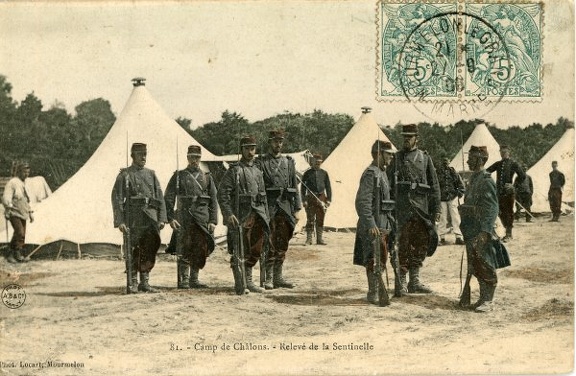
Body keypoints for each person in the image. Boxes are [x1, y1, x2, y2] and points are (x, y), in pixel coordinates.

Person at [387, 124, 441, 294]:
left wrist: (436, 209)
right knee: (402, 244)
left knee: (420, 244)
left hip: (421, 209)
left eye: (409, 137)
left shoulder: (425, 158)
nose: (406, 140)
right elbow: (388, 183)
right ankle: (402, 280)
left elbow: (434, 185)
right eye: (404, 137)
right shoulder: (396, 159)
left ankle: (415, 280)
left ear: (417, 139)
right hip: (402, 209)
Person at [111, 143, 167, 293]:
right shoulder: (124, 175)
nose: (143, 157)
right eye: (140, 154)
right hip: (134, 219)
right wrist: (120, 221)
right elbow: (117, 199)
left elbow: (159, 197)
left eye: (145, 154)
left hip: (150, 218)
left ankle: (145, 282)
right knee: (133, 250)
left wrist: (161, 218)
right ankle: (133, 282)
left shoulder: (151, 174)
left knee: (149, 249)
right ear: (132, 156)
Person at [218, 136, 270, 294]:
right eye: (247, 148)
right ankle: (240, 283)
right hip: (241, 215)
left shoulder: (258, 171)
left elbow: (263, 196)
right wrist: (228, 214)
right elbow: (223, 195)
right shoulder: (234, 171)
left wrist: (266, 215)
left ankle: (249, 280)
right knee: (240, 248)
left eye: (253, 148)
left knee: (256, 247)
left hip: (258, 214)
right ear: (241, 150)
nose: (250, 152)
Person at [164, 145, 218, 289]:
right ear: (187, 157)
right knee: (184, 247)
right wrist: (170, 218)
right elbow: (168, 198)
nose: (195, 160)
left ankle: (194, 279)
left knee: (200, 248)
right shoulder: (178, 176)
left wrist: (213, 220)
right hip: (184, 216)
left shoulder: (207, 177)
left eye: (197, 157)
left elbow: (213, 200)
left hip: (202, 217)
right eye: (192, 157)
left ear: (200, 159)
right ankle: (184, 280)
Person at [255, 129, 301, 290]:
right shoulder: (261, 162)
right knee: (270, 242)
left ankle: (278, 277)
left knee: (283, 242)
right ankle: (268, 278)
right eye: (275, 141)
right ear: (270, 143)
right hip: (270, 207)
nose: (278, 144)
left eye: (280, 141)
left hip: (286, 207)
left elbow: (294, 186)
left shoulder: (288, 162)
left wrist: (297, 207)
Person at [353, 141, 396, 304]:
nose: (391, 157)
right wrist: (370, 224)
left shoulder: (382, 172)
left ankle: (378, 290)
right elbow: (362, 202)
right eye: (388, 154)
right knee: (373, 259)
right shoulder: (371, 173)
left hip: (383, 224)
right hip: (373, 226)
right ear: (378, 154)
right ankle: (374, 292)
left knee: (382, 258)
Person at [458, 146, 499, 313]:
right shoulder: (474, 178)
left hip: (481, 229)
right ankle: (483, 297)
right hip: (471, 227)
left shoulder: (486, 180)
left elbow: (491, 209)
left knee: (485, 262)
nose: (468, 161)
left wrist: (485, 231)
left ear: (481, 160)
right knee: (475, 262)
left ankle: (488, 300)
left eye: (472, 158)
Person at [486, 145, 525, 242]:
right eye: (501, 152)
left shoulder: (513, 163)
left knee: (509, 212)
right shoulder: (498, 164)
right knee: (500, 212)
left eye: (505, 152)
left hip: (509, 193)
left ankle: (509, 234)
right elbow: (486, 171)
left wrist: (514, 186)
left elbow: (522, 176)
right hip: (499, 192)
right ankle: (501, 233)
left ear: (509, 152)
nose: (503, 153)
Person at [2, 161, 34, 263]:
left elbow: (25, 199)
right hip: (14, 212)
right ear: (19, 172)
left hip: (22, 212)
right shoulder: (13, 182)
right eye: (24, 172)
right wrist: (9, 208)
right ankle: (10, 255)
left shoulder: (23, 183)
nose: (26, 175)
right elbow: (6, 197)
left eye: (28, 173)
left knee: (22, 234)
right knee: (19, 232)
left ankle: (18, 254)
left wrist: (30, 213)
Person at [300, 153, 332, 245]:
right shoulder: (307, 173)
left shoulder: (324, 173)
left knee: (320, 218)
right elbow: (303, 188)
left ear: (321, 162)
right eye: (316, 162)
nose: (317, 164)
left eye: (319, 162)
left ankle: (319, 239)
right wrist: (304, 200)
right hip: (310, 197)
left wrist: (329, 199)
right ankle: (309, 239)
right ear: (312, 162)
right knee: (310, 218)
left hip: (322, 197)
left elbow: (328, 187)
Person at [436, 157, 465, 245]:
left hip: (452, 197)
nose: (445, 164)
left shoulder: (453, 172)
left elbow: (461, 184)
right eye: (444, 162)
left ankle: (458, 237)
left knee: (455, 217)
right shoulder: (438, 173)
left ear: (449, 162)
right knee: (442, 217)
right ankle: (442, 237)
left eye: (447, 162)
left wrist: (459, 193)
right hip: (442, 198)